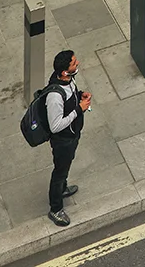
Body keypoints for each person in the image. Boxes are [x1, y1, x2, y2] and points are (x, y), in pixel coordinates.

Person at [44, 48, 89, 227]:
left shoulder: (68, 79)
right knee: (59, 171)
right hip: (63, 141)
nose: (77, 63)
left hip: (72, 136)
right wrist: (80, 109)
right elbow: (55, 126)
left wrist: (80, 96)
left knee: (66, 165)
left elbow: (71, 95)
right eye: (74, 63)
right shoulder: (54, 97)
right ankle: (55, 209)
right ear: (64, 71)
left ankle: (62, 189)